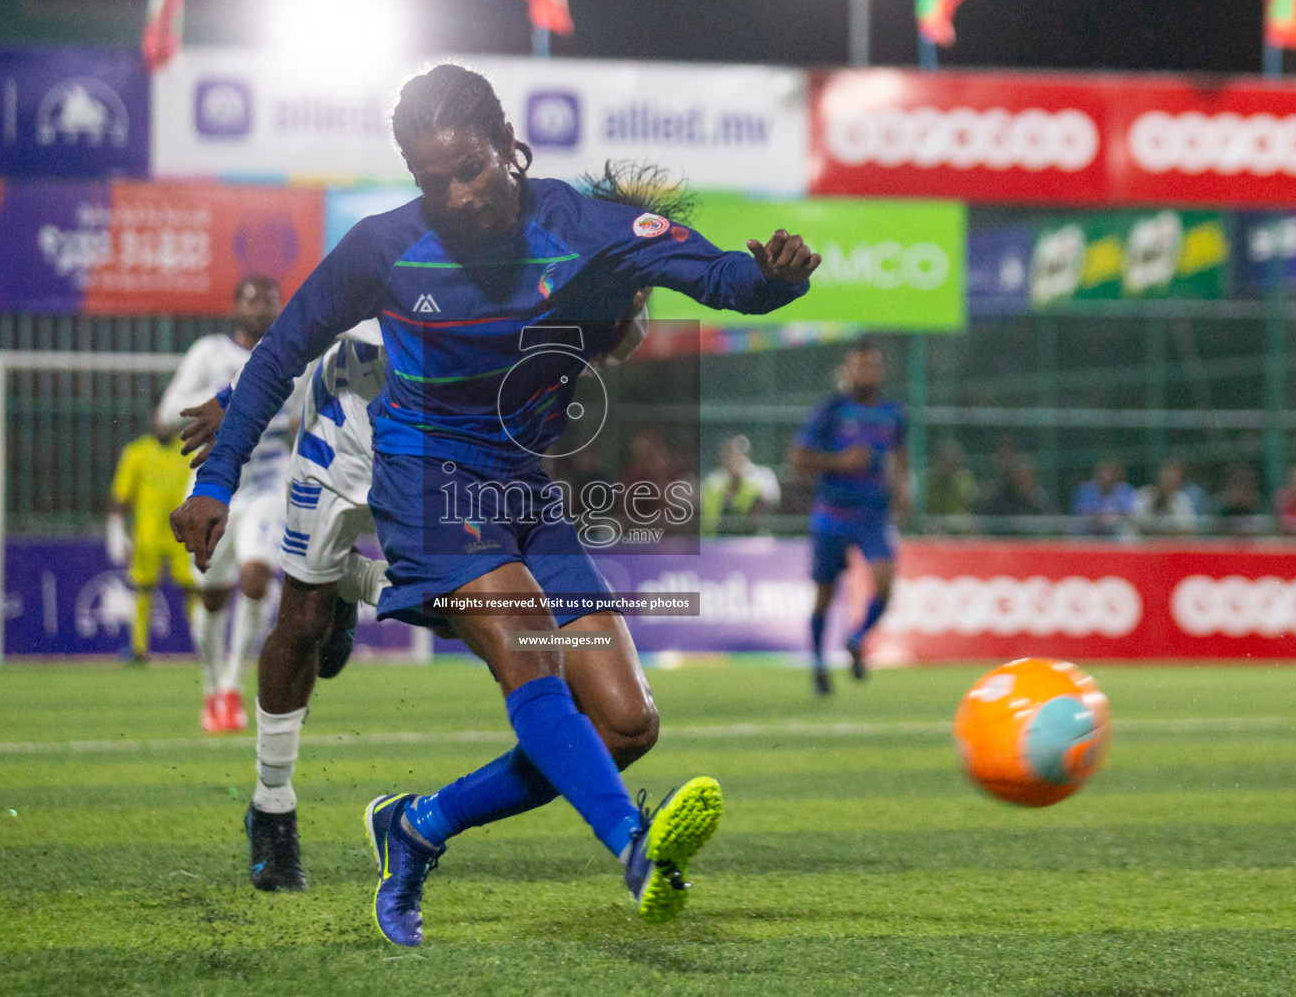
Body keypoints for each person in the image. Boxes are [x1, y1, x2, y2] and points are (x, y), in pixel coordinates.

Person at [170, 64, 818, 945]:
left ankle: (418, 824)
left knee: (626, 724)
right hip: (427, 473)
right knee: (527, 658)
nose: (454, 195)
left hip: (524, 487)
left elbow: (724, 280)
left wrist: (775, 279)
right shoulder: (383, 247)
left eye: (469, 168)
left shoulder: (589, 231)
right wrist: (214, 483)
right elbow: (280, 351)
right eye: (430, 179)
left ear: (511, 149)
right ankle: (634, 850)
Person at [176, 164, 672, 896]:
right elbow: (324, 321)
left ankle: (420, 804)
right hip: (352, 432)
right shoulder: (467, 258)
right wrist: (233, 397)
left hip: (469, 465)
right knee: (305, 619)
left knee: (492, 627)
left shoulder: (588, 289)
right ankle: (272, 806)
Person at [158, 275, 307, 733]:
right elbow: (165, 415)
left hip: (266, 485)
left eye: (270, 302)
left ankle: (231, 688)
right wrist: (222, 398)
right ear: (235, 306)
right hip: (215, 487)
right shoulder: (210, 353)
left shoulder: (290, 358)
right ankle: (209, 685)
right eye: (252, 300)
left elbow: (300, 420)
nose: (262, 309)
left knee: (257, 577)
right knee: (213, 595)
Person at [786, 337, 908, 696]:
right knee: (824, 594)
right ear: (847, 371)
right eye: (858, 366)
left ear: (880, 371)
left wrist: (901, 486)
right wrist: (840, 462)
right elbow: (798, 459)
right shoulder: (831, 411)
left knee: (885, 585)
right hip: (831, 515)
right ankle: (820, 666)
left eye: (871, 365)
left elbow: (900, 454)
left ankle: (856, 638)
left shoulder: (894, 414)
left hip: (873, 514)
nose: (864, 372)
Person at [107, 411, 198, 665]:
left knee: (192, 588)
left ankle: (203, 646)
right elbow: (121, 495)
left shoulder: (189, 452)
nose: (162, 424)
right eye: (158, 417)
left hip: (184, 534)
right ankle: (139, 650)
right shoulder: (136, 452)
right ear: (151, 421)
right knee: (143, 588)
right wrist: (115, 528)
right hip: (147, 534)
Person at [701, 434, 780, 536]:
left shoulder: (761, 477)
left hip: (750, 539)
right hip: (715, 540)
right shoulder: (713, 482)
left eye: (742, 455)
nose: (736, 460)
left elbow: (773, 499)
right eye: (732, 456)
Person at [1071, 461, 1137, 537]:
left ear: (1116, 475)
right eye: (1103, 473)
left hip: (1116, 527)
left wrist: (1112, 518)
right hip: (1091, 526)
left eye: (1110, 473)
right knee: (1077, 526)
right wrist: (1100, 519)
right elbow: (1082, 511)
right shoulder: (1086, 489)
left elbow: (1130, 512)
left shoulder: (1125, 490)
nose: (1106, 477)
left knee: (1126, 529)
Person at [1135, 459, 1201, 536]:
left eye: (1171, 482)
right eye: (1165, 480)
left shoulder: (1182, 500)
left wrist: (1170, 505)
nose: (1167, 484)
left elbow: (1189, 528)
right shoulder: (1145, 495)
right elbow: (1136, 522)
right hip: (1146, 544)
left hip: (1173, 544)